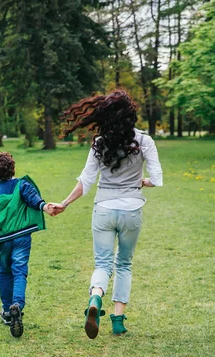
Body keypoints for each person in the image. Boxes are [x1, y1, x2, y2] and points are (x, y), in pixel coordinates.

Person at [51, 89, 163, 339]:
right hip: (131, 210)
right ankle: (118, 320)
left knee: (102, 263)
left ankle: (95, 298)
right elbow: (156, 178)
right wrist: (142, 182)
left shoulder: (99, 143)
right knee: (124, 263)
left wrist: (65, 203)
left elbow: (86, 181)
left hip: (103, 209)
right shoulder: (144, 141)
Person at [0, 152, 56, 338]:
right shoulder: (22, 185)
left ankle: (8, 312)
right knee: (20, 271)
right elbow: (33, 199)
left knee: (5, 272)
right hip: (22, 236)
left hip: (4, 240)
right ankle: (17, 305)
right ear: (13, 168)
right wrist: (44, 206)